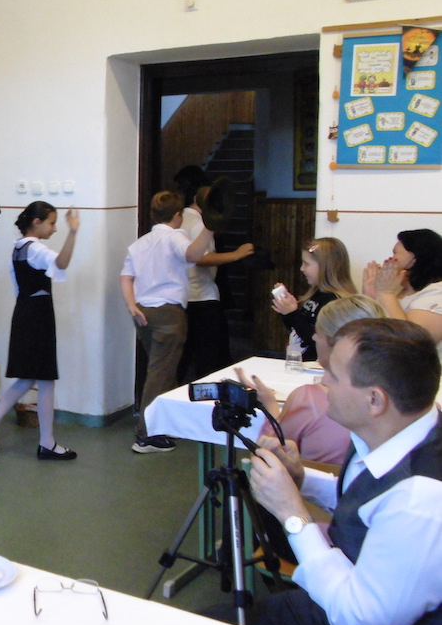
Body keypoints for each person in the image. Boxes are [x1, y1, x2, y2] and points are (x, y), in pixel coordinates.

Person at [248, 318, 442, 625]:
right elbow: (372, 506)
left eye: (334, 376)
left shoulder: (422, 499)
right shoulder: (398, 433)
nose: (323, 382)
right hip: (343, 592)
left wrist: (291, 513)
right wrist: (303, 481)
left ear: (374, 400)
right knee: (222, 622)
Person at [0, 201, 80, 461]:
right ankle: (46, 443)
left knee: (29, 378)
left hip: (24, 313)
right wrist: (73, 231)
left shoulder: (18, 248)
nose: (54, 229)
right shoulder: (36, 249)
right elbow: (62, 263)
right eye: (52, 223)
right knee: (43, 379)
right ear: (36, 222)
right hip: (38, 317)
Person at [236, 295, 385, 466]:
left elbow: (272, 453)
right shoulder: (393, 394)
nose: (313, 337)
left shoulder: (309, 399)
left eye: (318, 332)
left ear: (334, 341)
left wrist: (270, 406)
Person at [120, 191, 215, 453]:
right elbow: (193, 254)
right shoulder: (175, 236)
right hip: (169, 313)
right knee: (160, 374)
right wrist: (209, 227)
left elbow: (126, 277)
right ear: (177, 216)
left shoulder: (140, 243)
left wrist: (131, 305)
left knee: (164, 369)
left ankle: (167, 423)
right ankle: (146, 435)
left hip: (142, 312)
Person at [173, 169, 255, 381]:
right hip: (201, 296)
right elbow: (200, 258)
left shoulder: (180, 219)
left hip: (184, 296)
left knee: (185, 355)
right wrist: (237, 255)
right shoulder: (200, 223)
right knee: (207, 357)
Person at [271, 238, 356, 362]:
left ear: (325, 266)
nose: (302, 268)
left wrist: (293, 314)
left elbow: (318, 340)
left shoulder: (334, 302)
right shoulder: (316, 294)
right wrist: (287, 311)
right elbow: (298, 329)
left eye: (307, 264)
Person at [363, 228, 442, 358]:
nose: (389, 260)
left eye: (395, 254)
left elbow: (411, 345)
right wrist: (372, 298)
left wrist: (384, 293)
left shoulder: (437, 293)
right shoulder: (400, 291)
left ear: (414, 259)